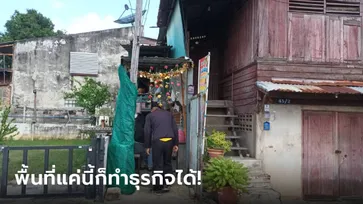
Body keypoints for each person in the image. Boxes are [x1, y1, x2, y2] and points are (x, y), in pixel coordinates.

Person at [144, 102, 179, 193]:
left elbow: (147, 131)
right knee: (167, 162)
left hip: (158, 141)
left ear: (152, 109)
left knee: (157, 163)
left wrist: (147, 146)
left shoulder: (150, 116)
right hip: (169, 141)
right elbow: (175, 129)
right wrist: (176, 144)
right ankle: (167, 184)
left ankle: (158, 186)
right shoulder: (169, 114)